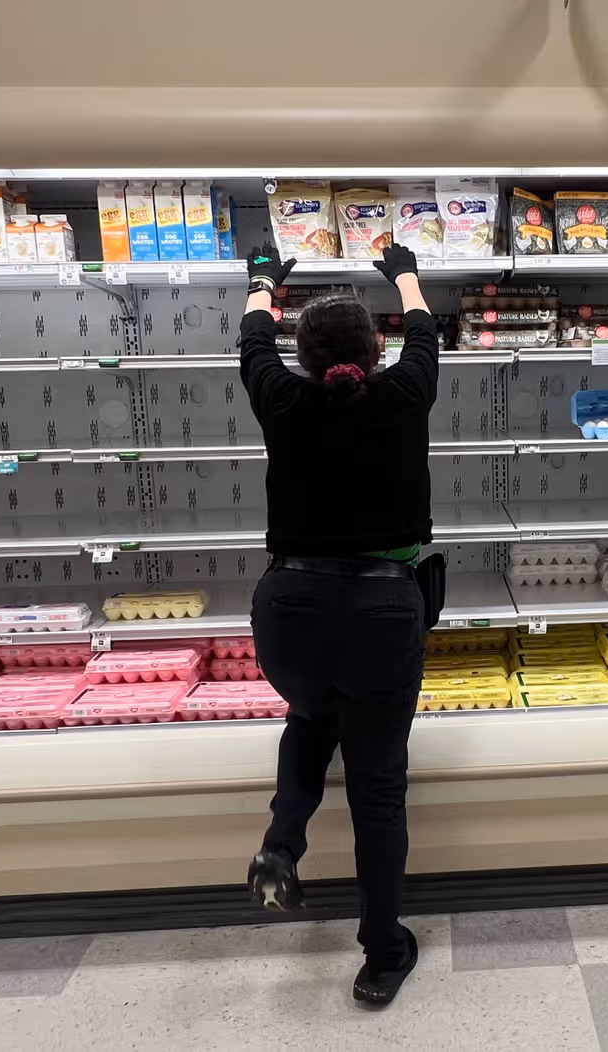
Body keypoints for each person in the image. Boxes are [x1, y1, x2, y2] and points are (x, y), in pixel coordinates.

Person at [239, 242, 438, 1006]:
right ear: (377, 350)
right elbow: (426, 333)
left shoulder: (281, 401)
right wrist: (405, 274)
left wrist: (264, 281)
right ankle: (381, 954)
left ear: (301, 356)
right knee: (377, 787)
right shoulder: (403, 394)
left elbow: (252, 339)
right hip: (382, 610)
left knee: (312, 712)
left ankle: (281, 844)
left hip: (291, 609)